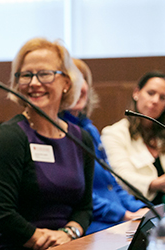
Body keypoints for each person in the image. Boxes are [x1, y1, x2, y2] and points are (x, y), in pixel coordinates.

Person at [0, 38, 94, 250]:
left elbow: (85, 207)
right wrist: (45, 240)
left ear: (66, 83)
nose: (34, 83)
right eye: (26, 75)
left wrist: (69, 233)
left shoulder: (81, 139)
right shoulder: (8, 137)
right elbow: (1, 213)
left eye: (45, 74)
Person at [60, 59, 147, 235]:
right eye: (71, 80)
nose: (78, 86)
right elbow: (79, 195)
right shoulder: (59, 133)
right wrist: (126, 215)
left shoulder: (89, 129)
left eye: (82, 79)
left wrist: (143, 209)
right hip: (94, 224)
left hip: (118, 221)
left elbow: (111, 184)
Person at [101, 71, 165, 205]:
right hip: (138, 207)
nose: (155, 101)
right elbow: (120, 177)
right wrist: (156, 184)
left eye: (162, 98)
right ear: (136, 93)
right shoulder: (114, 133)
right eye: (151, 93)